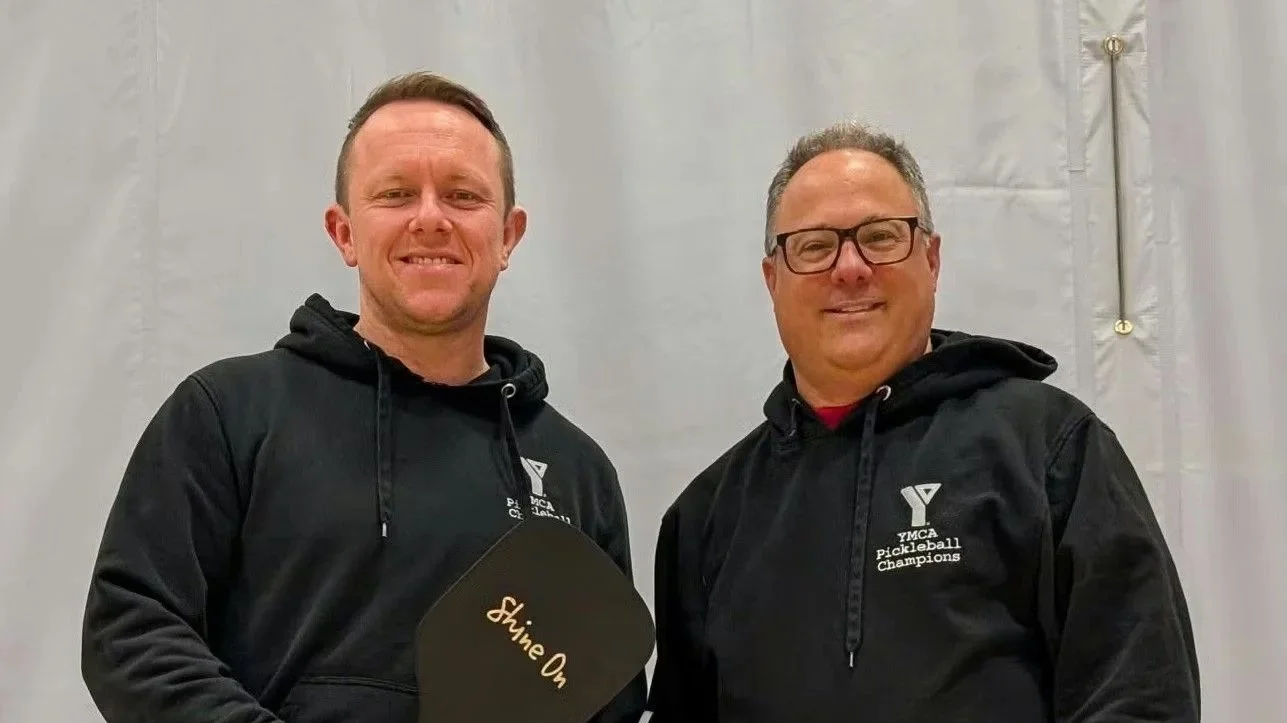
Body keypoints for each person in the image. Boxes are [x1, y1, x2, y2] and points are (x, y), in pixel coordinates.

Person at [81, 71, 646, 723]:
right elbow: (132, 632)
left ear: (508, 235)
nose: (430, 219)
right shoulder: (227, 413)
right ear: (344, 232)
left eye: (463, 195)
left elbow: (604, 697)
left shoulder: (577, 472)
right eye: (396, 194)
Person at [646, 121, 1200, 721]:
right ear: (772, 279)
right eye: (814, 246)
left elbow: (1140, 698)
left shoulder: (1050, 448)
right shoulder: (706, 519)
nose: (850, 267)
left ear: (931, 260)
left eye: (880, 237)